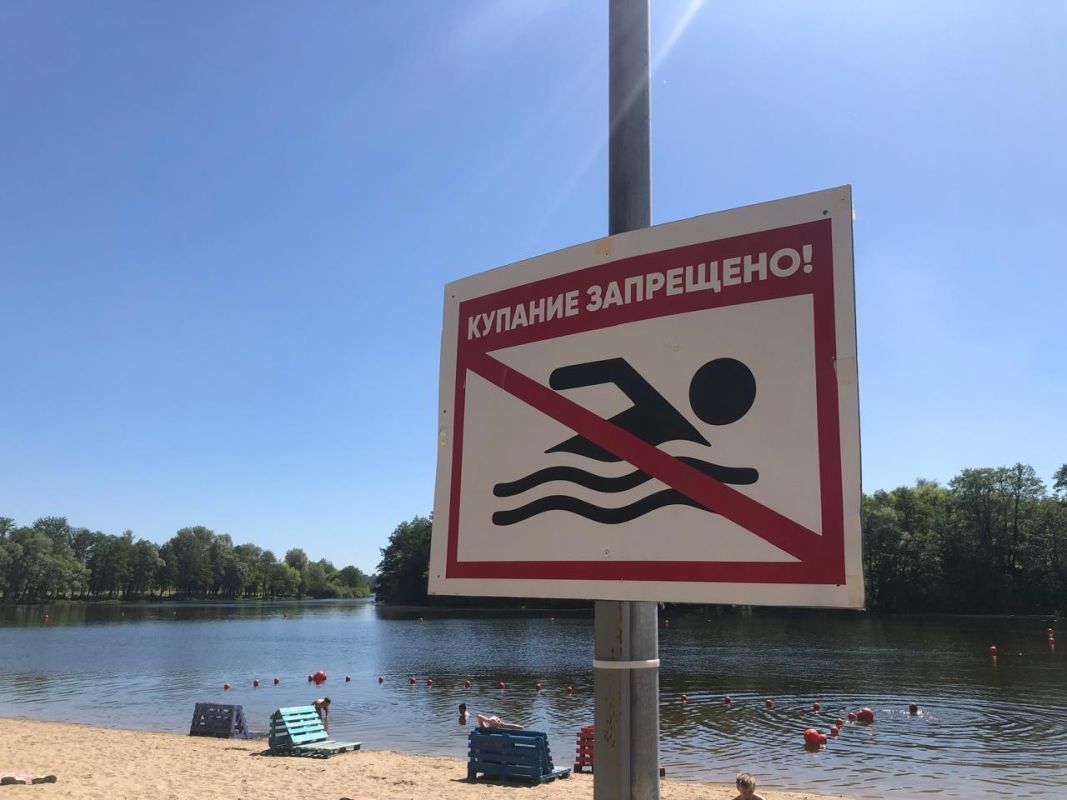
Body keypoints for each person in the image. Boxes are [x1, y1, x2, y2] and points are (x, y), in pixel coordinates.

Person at [457, 703, 523, 729]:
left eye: (460, 709)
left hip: (491, 720)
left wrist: (489, 721)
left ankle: (490, 720)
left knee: (504, 725)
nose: (459, 711)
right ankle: (520, 727)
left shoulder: (465, 715)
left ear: (463, 709)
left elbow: (478, 717)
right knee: (505, 725)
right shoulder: (466, 712)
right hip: (492, 720)